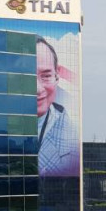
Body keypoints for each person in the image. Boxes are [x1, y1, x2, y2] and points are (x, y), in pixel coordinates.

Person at [36, 37, 78, 177]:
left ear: (57, 78)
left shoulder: (71, 143)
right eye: (27, 76)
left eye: (46, 76)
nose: (37, 88)